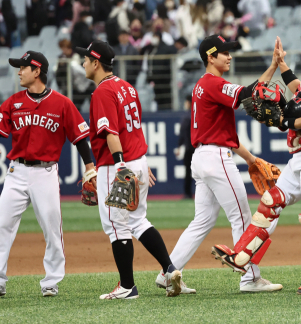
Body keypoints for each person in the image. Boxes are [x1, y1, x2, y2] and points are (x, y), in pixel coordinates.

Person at [212, 28, 301, 294]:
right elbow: (300, 92)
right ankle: (242, 257)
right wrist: (281, 65)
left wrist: (286, 121)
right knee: (271, 202)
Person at [157, 34, 284, 293]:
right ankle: (249, 278)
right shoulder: (214, 83)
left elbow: (225, 134)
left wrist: (251, 159)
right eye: (223, 52)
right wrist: (273, 66)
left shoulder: (200, 86)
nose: (229, 56)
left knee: (202, 220)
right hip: (216, 159)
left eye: (229, 51)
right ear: (210, 57)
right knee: (242, 217)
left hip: (203, 158)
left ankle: (167, 273)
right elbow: (249, 95)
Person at [0, 51, 93, 297]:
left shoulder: (62, 103)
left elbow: (81, 138)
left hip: (45, 173)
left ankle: (51, 281)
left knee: (52, 229)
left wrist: (90, 166)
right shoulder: (14, 101)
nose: (19, 72)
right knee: (2, 225)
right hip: (16, 172)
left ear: (37, 70)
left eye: (23, 67)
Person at [77, 40, 183, 299]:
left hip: (117, 165)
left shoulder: (102, 92)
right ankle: (169, 270)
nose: (82, 63)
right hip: (139, 160)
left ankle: (127, 286)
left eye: (86, 59)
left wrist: (121, 165)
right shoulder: (127, 86)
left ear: (96, 63)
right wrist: (138, 165)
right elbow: (132, 128)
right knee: (138, 220)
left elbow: (112, 133)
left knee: (116, 226)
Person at [176, 95, 195, 199]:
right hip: (199, 148)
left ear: (188, 103)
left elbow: (183, 132)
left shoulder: (187, 116)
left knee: (188, 172)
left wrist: (179, 146)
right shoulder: (198, 115)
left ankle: (187, 193)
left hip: (189, 148)